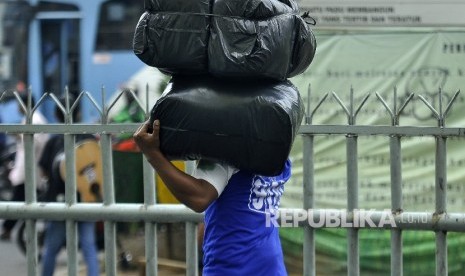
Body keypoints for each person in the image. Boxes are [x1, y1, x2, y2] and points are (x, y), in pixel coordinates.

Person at [134, 120, 291, 275]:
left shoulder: (227, 153)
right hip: (272, 266)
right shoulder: (280, 157)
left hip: (233, 268)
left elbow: (199, 198)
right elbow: (236, 206)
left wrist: (153, 154)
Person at [39, 96, 99, 276]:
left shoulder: (53, 142)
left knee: (51, 247)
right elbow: (97, 168)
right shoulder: (88, 138)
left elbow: (44, 171)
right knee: (89, 246)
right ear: (79, 112)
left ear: (56, 115)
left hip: (59, 202)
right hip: (86, 199)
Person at [1, 94, 49, 241]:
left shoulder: (36, 119)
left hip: (31, 170)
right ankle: (9, 229)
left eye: (19, 104)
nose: (17, 108)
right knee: (21, 201)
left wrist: (20, 135)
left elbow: (36, 143)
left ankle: (9, 229)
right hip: (26, 169)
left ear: (24, 104)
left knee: (20, 202)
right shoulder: (29, 118)